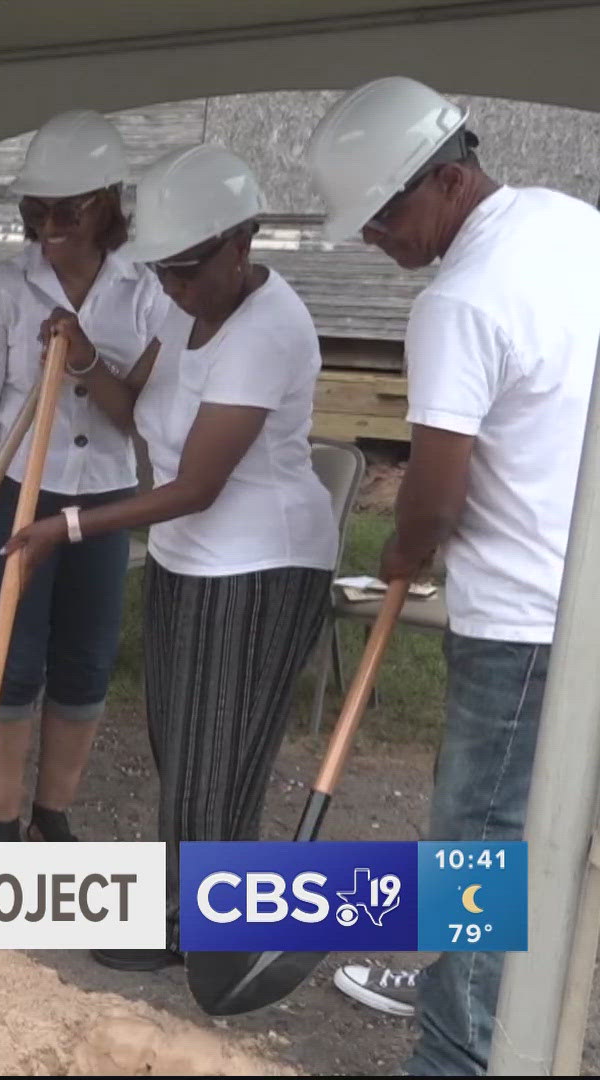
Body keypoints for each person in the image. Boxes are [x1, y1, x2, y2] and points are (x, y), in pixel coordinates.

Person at [305, 77, 600, 1074]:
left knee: (479, 848)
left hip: (521, 623)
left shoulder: (458, 302)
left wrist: (400, 552)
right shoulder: (571, 224)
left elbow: (432, 500)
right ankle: (514, 1011)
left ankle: (460, 1048)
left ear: (447, 177)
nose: (373, 238)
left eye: (384, 214)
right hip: (586, 592)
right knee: (552, 850)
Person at [4, 144, 336, 970]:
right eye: (162, 272)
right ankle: (207, 908)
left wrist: (70, 525)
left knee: (218, 746)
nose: (172, 288)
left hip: (261, 561)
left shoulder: (269, 329)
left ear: (242, 243)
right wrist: (81, 355)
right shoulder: (181, 307)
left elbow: (196, 484)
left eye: (186, 270)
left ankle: (202, 929)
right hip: (192, 557)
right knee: (178, 738)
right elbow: (130, 409)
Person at [0, 110, 166, 843]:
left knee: (85, 659)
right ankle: (2, 821)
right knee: (12, 657)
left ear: (107, 202)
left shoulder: (148, 290)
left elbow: (139, 415)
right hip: (17, 488)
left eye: (67, 208)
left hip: (103, 492)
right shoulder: (4, 285)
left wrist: (79, 358)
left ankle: (52, 811)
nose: (49, 223)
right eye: (36, 209)